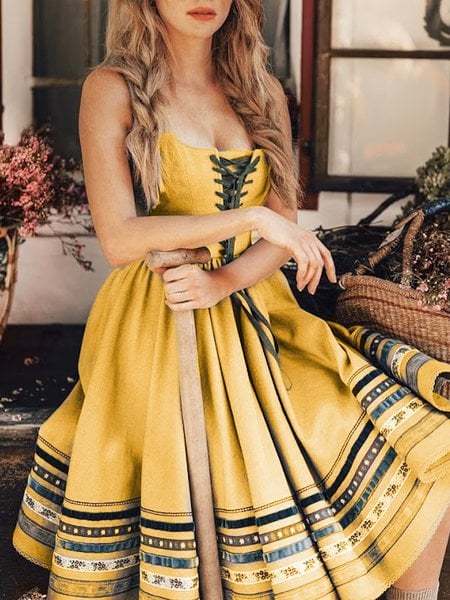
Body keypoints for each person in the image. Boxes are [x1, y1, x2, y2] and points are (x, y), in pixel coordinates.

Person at [12, 1, 450, 599]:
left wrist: (226, 279)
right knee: (216, 468)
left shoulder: (261, 90)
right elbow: (119, 238)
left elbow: (282, 225)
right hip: (160, 313)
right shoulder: (112, 88)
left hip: (258, 306)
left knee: (427, 439)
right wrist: (246, 219)